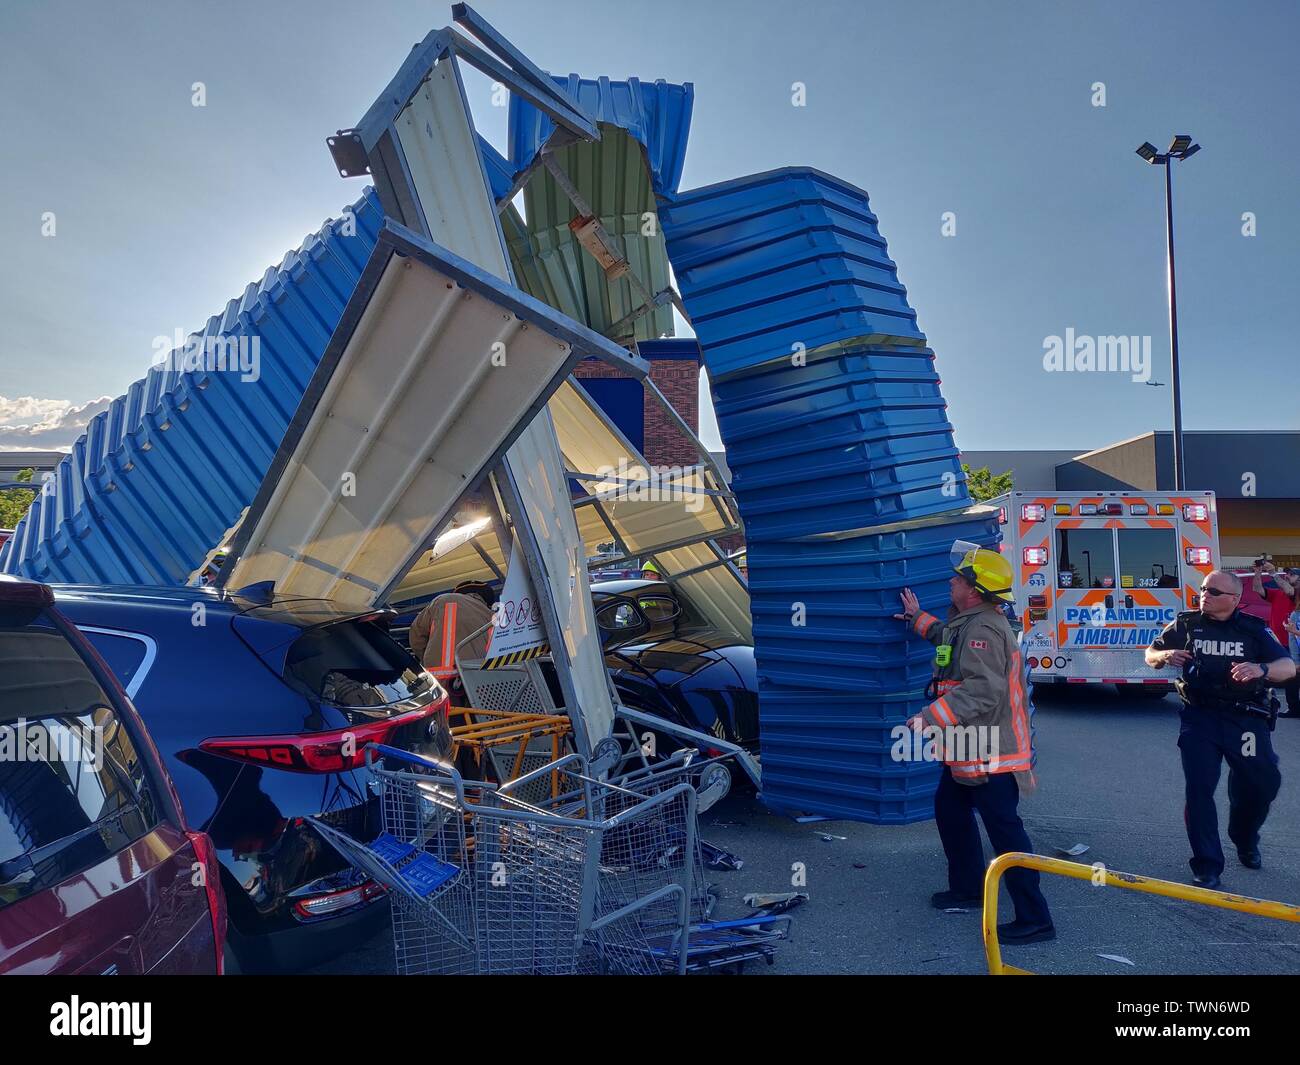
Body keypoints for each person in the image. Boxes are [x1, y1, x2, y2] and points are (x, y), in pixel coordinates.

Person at [895, 540, 1054, 945]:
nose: (951, 581)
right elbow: (948, 644)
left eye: (958, 577)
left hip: (990, 753)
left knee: (1006, 833)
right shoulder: (969, 620)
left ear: (974, 588)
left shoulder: (982, 626)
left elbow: (983, 689)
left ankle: (1036, 919)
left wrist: (929, 717)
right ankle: (967, 888)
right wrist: (918, 619)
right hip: (969, 747)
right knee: (949, 810)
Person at [1145, 569, 1295, 889]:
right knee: (1199, 790)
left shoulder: (1253, 630)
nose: (1205, 595)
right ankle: (1207, 864)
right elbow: (1151, 653)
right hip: (1200, 718)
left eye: (1213, 592)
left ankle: (1244, 837)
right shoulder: (1187, 624)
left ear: (1234, 599)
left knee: (1263, 782)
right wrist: (1164, 655)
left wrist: (1261, 668)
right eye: (1202, 589)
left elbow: (1286, 666)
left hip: (1245, 722)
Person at [408, 581, 496, 703]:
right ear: (486, 600)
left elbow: (416, 634)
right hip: (479, 681)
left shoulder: (443, 600)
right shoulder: (492, 615)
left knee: (450, 719)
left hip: (441, 680)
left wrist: (426, 658)